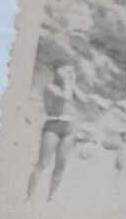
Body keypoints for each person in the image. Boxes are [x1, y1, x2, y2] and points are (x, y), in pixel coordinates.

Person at [26, 61, 109, 202]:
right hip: (53, 125)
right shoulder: (50, 87)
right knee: (43, 163)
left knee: (61, 164)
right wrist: (67, 83)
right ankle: (29, 197)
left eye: (72, 71)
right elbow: (65, 97)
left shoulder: (70, 87)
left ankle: (50, 197)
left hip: (69, 128)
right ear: (57, 71)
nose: (70, 74)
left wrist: (74, 84)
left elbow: (83, 100)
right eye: (67, 71)